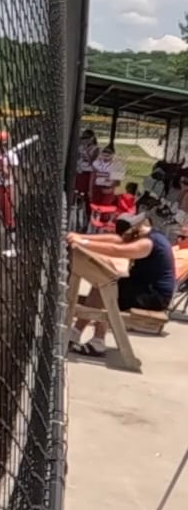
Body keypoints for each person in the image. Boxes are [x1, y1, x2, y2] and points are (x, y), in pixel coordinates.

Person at [68, 213, 177, 358]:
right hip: (146, 288)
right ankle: (75, 333)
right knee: (102, 281)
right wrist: (80, 237)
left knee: (106, 286)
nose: (123, 239)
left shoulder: (147, 243)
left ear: (134, 231)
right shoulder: (149, 235)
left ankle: (97, 342)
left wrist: (84, 243)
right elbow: (115, 240)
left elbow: (117, 249)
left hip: (154, 296)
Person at [74, 129, 100, 208]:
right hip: (80, 170)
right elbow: (77, 157)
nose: (85, 140)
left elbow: (92, 161)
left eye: (87, 138)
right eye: (83, 138)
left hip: (88, 171)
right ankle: (77, 203)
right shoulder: (81, 147)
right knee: (78, 189)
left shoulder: (96, 148)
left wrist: (86, 151)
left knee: (85, 190)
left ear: (92, 138)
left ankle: (85, 204)